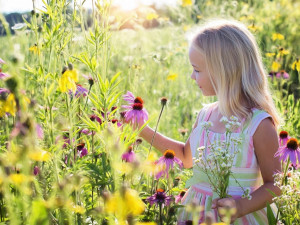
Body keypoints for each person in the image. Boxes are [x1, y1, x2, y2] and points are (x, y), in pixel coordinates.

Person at [137, 19, 281, 224]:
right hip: (194, 214)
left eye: (197, 69)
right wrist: (142, 129)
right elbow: (187, 158)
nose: (191, 77)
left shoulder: (258, 124)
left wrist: (240, 207)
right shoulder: (205, 115)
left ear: (224, 71)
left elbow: (274, 186)